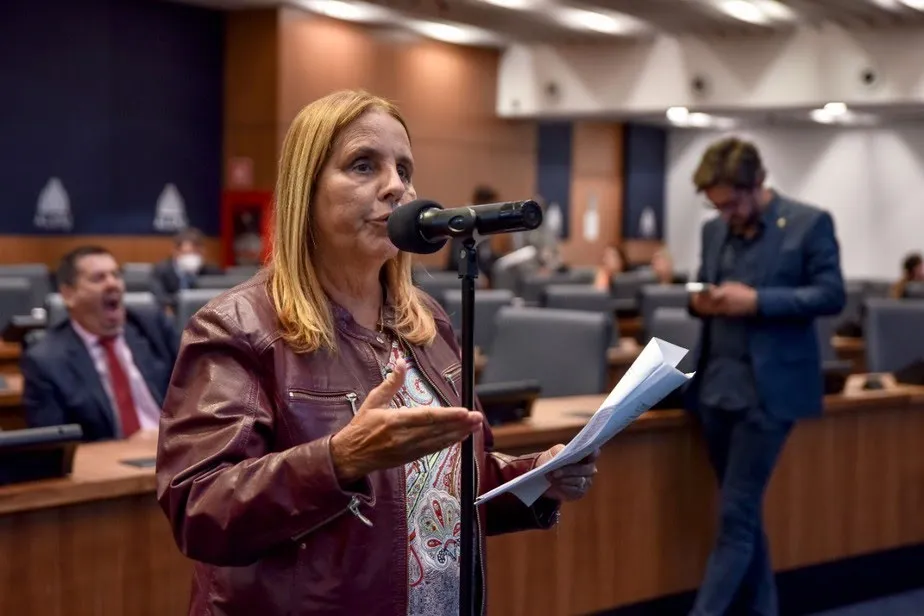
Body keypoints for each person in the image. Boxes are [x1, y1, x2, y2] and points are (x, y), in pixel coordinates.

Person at [155, 90, 599, 616]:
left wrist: (532, 476)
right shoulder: (239, 327)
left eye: (404, 170)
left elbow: (438, 493)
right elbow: (201, 508)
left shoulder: (426, 323)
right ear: (307, 190)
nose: (396, 187)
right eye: (363, 165)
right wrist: (339, 461)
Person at [685, 137, 845, 616]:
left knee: (735, 516)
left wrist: (757, 301)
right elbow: (700, 283)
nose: (727, 213)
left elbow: (831, 295)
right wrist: (700, 299)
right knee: (745, 514)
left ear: (757, 184)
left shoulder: (808, 224)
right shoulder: (715, 231)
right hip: (714, 389)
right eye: (717, 205)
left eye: (733, 202)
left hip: (769, 392)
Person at [21, 246, 178, 442]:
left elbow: (197, 390)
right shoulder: (45, 360)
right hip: (111, 465)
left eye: (116, 275)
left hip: (178, 451)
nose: (113, 284)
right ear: (69, 294)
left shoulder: (153, 328)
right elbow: (52, 448)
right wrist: (125, 448)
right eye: (98, 278)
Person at [150, 227, 223, 311]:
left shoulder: (213, 272)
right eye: (187, 253)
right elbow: (160, 298)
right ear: (175, 251)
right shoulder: (161, 271)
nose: (191, 257)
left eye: (196, 253)